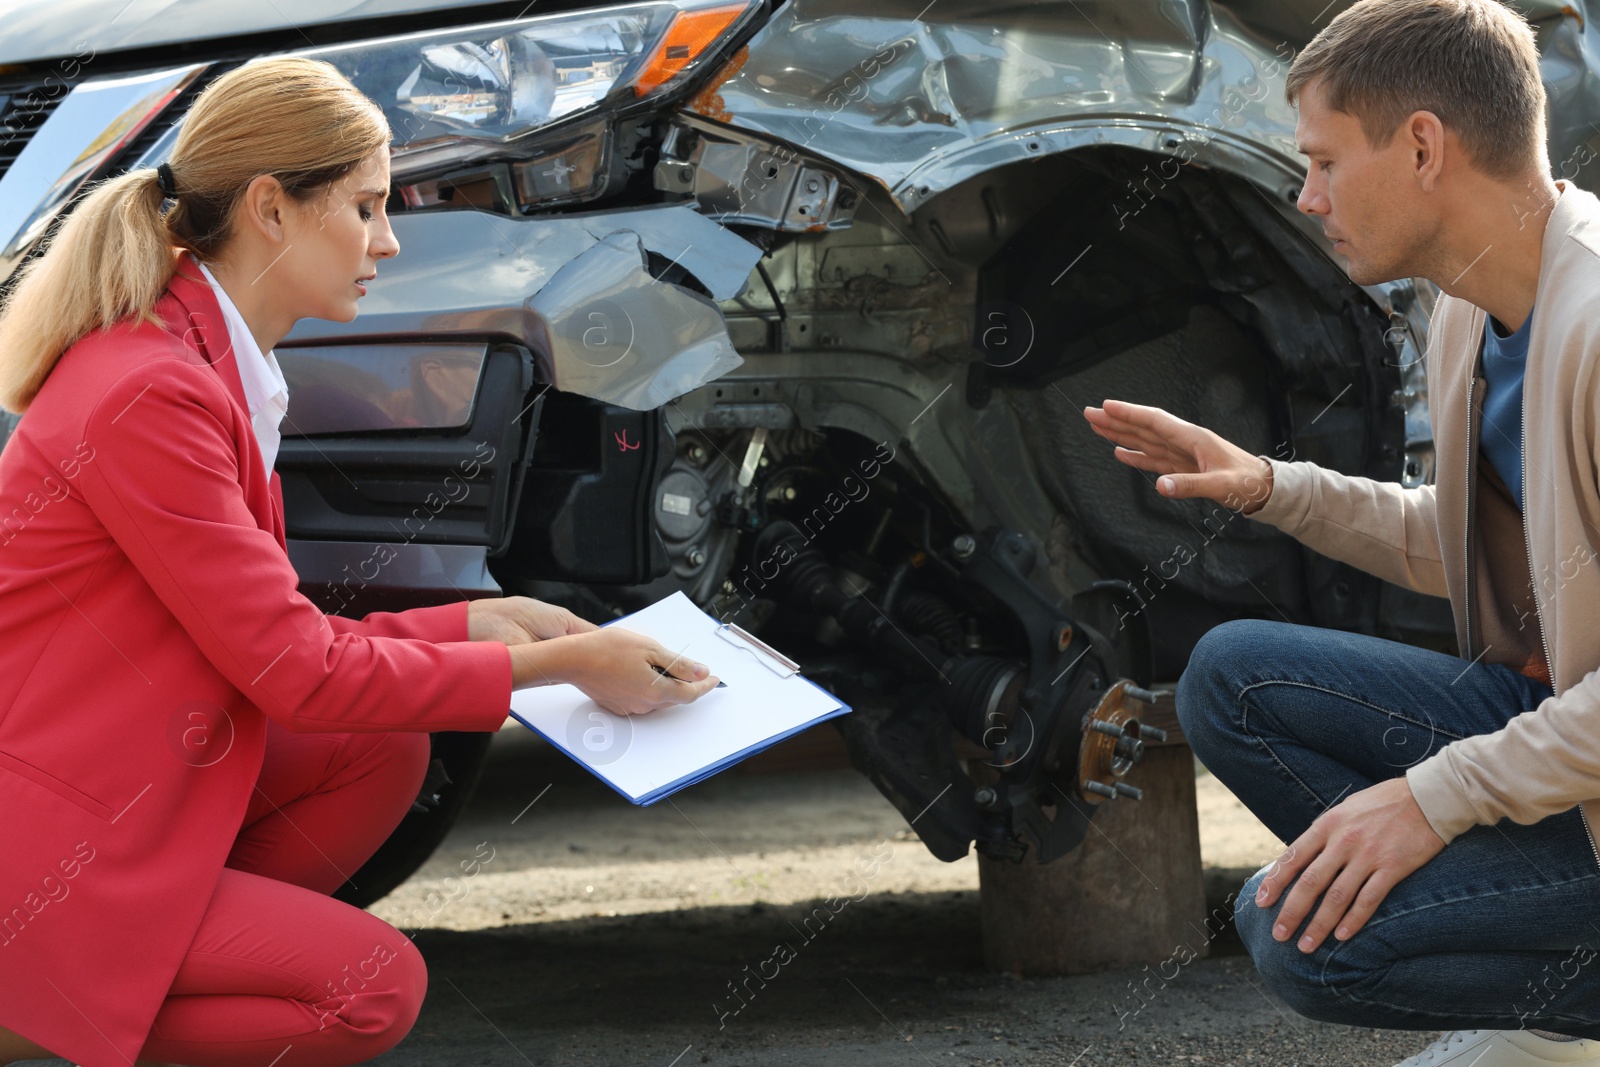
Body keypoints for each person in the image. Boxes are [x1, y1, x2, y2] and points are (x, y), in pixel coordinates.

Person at [0, 56, 719, 1067]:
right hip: (42, 835)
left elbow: (271, 639)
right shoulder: (150, 391)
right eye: (369, 206)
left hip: (115, 777)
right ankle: (37, 1016)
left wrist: (485, 622)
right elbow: (293, 670)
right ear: (270, 208)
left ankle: (119, 968)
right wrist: (549, 668)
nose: (388, 240)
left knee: (379, 748)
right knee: (370, 990)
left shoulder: (191, 360)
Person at [1082, 0, 1600, 1064]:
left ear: (1421, 146)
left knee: (1301, 940)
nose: (1306, 196)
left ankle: (1559, 1008)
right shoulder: (1469, 302)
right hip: (1569, 744)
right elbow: (1473, 543)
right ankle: (1534, 960)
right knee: (1229, 676)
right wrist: (1268, 485)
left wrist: (1431, 799)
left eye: (1321, 162)